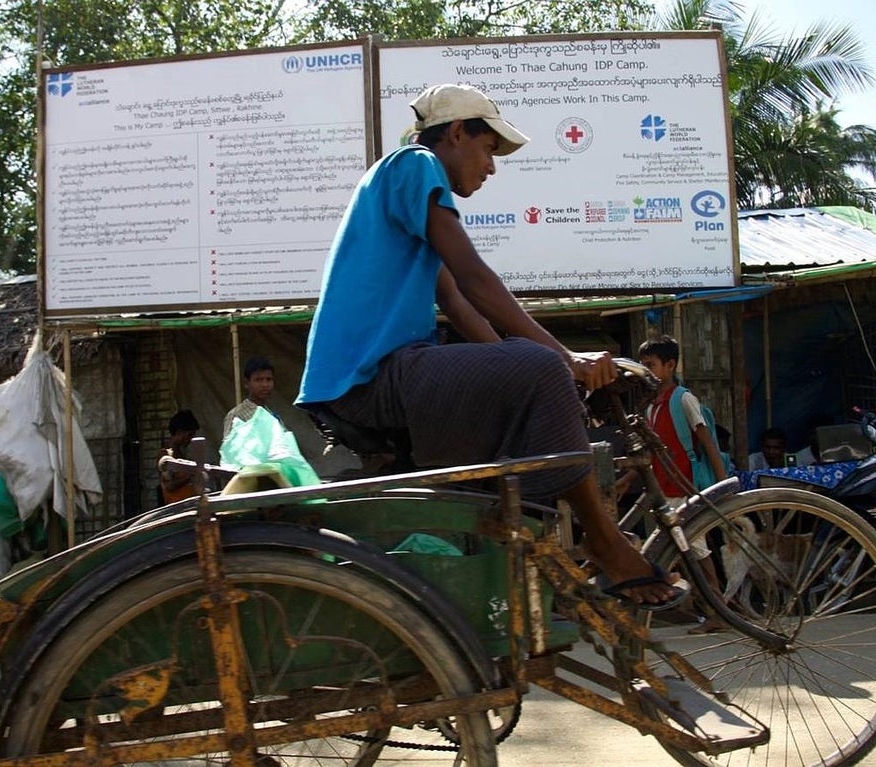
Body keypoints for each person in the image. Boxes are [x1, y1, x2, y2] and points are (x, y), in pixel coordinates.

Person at [294, 82, 684, 610]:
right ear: (456, 133)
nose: (492, 166)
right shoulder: (416, 165)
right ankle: (605, 542)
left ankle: (544, 545)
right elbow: (475, 278)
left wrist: (525, 364)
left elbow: (457, 303)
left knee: (531, 369)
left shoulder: (400, 187)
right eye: (488, 149)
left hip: (376, 376)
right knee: (540, 367)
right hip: (369, 378)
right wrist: (562, 361)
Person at [635, 336, 729, 633]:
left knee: (698, 555)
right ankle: (705, 609)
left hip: (685, 487)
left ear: (670, 365)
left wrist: (723, 483)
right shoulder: (652, 406)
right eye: (643, 365)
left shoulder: (682, 399)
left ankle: (719, 612)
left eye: (650, 365)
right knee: (683, 554)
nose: (646, 370)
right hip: (664, 489)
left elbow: (706, 440)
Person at [222, 356, 279, 438]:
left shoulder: (272, 415)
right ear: (246, 383)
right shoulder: (236, 416)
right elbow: (229, 448)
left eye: (268, 379)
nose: (265, 385)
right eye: (258, 380)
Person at [159, 409, 202, 504]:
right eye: (189, 435)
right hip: (176, 511)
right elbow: (169, 486)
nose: (190, 439)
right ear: (179, 432)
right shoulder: (165, 456)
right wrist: (191, 475)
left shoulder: (182, 455)